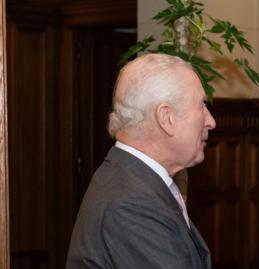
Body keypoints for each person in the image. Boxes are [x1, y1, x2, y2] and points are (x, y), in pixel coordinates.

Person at [66, 53, 216, 269]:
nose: (211, 121)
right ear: (166, 118)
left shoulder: (129, 180)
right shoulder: (132, 203)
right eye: (202, 106)